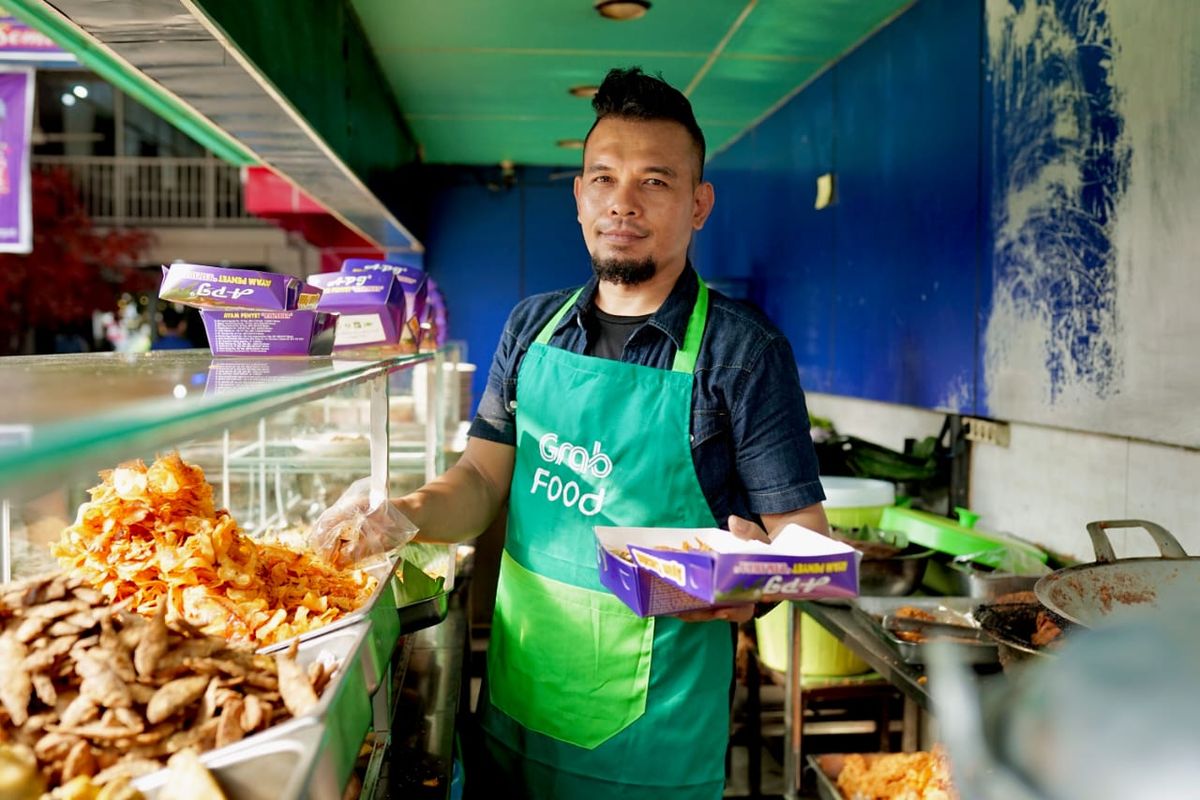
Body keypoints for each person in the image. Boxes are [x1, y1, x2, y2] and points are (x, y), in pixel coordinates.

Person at [325, 67, 828, 799]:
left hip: (653, 741)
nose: (623, 203)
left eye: (655, 182)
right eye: (603, 178)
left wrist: (751, 583)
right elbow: (482, 479)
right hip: (517, 705)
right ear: (579, 195)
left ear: (698, 205)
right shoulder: (531, 328)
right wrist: (402, 515)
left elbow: (804, 543)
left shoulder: (743, 351)